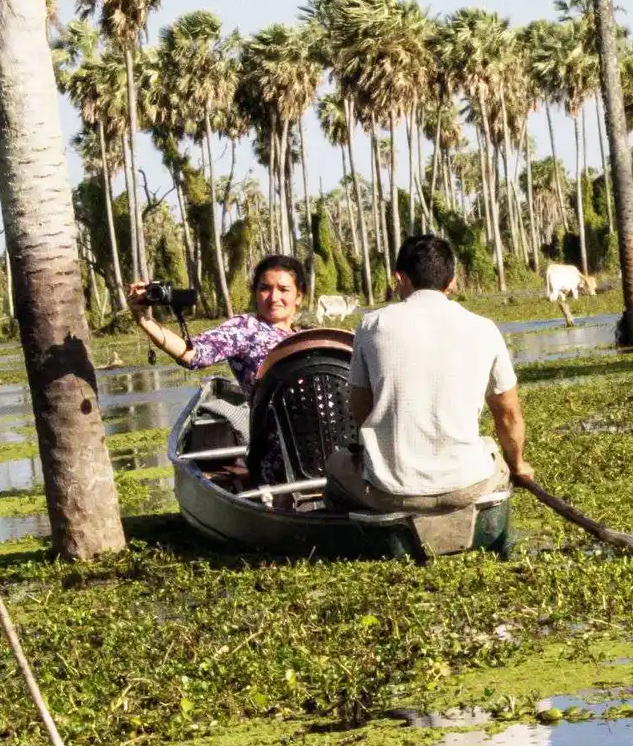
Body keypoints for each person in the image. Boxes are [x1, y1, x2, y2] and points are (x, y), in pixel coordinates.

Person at [323, 234, 531, 553]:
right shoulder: (485, 328)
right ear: (453, 282)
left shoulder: (371, 326)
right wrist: (518, 466)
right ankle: (501, 545)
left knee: (336, 465)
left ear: (399, 278)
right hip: (468, 485)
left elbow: (361, 410)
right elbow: (509, 415)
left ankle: (360, 544)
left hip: (390, 489)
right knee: (497, 459)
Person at [128, 255, 306, 397]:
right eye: (265, 288)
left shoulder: (307, 336)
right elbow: (193, 354)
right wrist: (144, 320)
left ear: (298, 296)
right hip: (277, 435)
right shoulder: (245, 328)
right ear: (255, 293)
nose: (274, 297)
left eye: (284, 289)